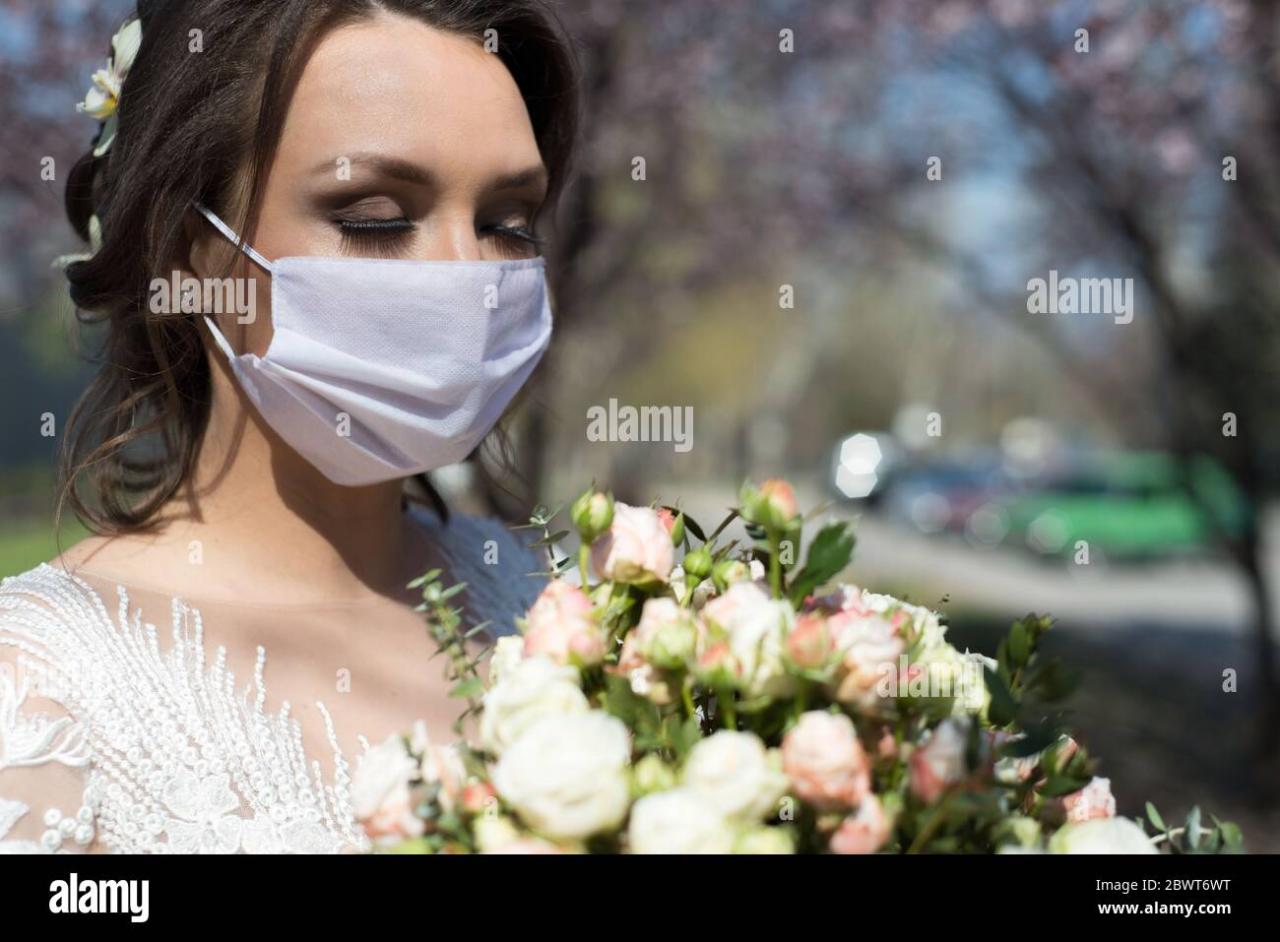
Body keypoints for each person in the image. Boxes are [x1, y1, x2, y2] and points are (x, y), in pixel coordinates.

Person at [0, 0, 578, 854]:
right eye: (375, 218)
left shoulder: (570, 612)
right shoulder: (40, 699)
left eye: (507, 224)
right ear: (188, 251)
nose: (469, 277)